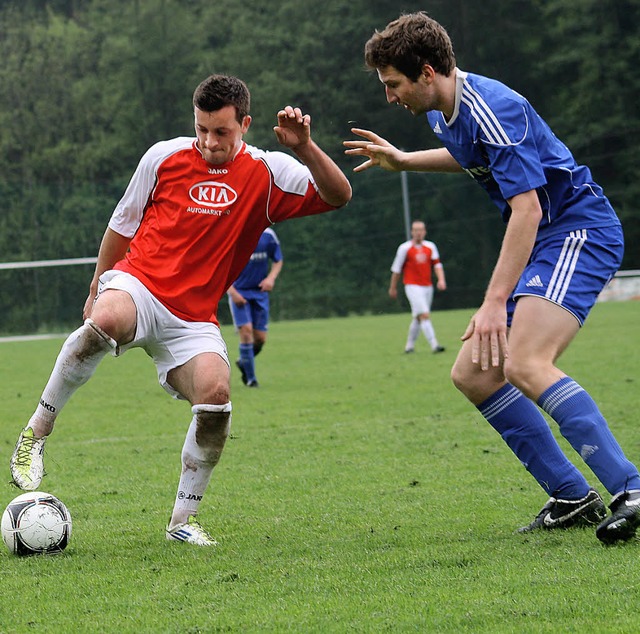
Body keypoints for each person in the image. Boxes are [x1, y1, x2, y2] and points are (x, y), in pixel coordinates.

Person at [9, 74, 351, 546]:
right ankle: (36, 432)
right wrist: (96, 288)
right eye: (202, 130)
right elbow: (121, 226)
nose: (209, 142)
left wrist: (307, 148)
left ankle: (181, 523)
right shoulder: (163, 156)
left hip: (193, 319)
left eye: (222, 132)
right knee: (103, 322)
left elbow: (339, 195)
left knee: (216, 398)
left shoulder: (269, 172)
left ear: (245, 125)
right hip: (140, 286)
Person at [344, 12, 640, 544]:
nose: (389, 97)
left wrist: (491, 301)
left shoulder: (491, 107)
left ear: (426, 72)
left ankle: (631, 488)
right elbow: (469, 156)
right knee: (475, 373)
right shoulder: (445, 110)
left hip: (576, 231)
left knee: (524, 362)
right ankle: (572, 496)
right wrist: (404, 161)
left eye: (393, 85)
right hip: (544, 240)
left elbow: (526, 209)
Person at [228, 227, 283, 387]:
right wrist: (232, 292)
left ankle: (244, 360)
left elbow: (278, 259)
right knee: (245, 332)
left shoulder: (268, 235)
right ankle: (251, 380)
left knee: (260, 339)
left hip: (260, 293)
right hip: (239, 292)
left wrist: (270, 279)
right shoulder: (233, 232)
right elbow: (220, 265)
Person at [390, 219, 446, 354]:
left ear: (425, 232)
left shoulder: (430, 247)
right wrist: (393, 287)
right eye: (415, 230)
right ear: (411, 232)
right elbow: (396, 270)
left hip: (427, 286)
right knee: (424, 315)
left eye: (420, 230)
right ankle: (435, 345)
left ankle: (409, 347)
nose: (418, 233)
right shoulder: (404, 248)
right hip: (412, 286)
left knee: (418, 317)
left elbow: (437, 265)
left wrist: (441, 280)